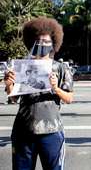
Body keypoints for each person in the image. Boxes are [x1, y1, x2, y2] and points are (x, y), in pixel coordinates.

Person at [4, 17, 73, 170]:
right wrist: (9, 85)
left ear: (53, 44)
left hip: (52, 131)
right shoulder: (22, 67)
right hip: (23, 131)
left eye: (46, 42)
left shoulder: (61, 68)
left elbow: (69, 98)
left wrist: (56, 89)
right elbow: (14, 98)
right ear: (32, 43)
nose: (42, 45)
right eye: (39, 41)